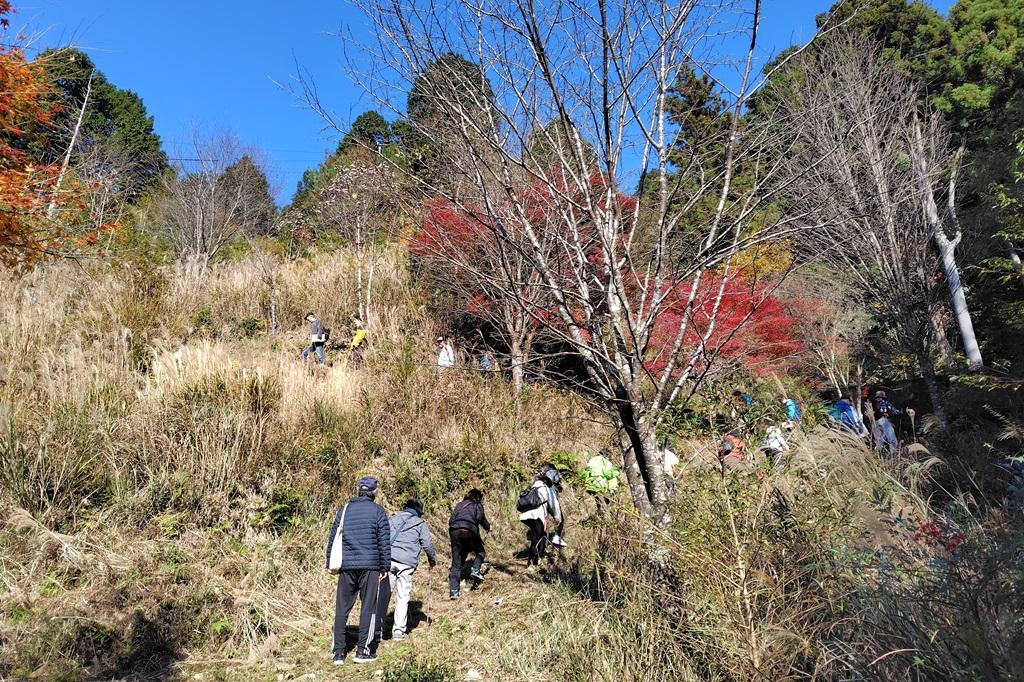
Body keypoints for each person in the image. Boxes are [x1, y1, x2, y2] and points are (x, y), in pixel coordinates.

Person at [325, 476, 390, 665]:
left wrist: (329, 561)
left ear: (359, 490)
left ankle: (338, 653)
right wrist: (384, 566)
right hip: (370, 566)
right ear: (374, 492)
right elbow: (383, 542)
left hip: (347, 566)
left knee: (342, 609)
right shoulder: (378, 511)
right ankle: (363, 651)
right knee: (368, 608)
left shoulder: (344, 510)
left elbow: (333, 537)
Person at [384, 499, 437, 641]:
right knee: (402, 597)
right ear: (419, 512)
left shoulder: (393, 519)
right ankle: (398, 631)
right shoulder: (420, 523)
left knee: (384, 595)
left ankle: (378, 627)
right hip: (406, 564)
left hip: (388, 560)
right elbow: (427, 543)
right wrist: (432, 559)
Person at [447, 488, 490, 599]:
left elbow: (451, 521)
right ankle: (475, 570)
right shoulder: (477, 504)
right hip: (469, 530)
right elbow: (480, 518)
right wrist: (488, 527)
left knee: (456, 563)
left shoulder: (459, 505)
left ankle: (454, 591)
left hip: (454, 531)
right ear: (478, 497)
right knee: (480, 552)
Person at [519, 465, 564, 567]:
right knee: (538, 538)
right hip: (537, 515)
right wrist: (558, 520)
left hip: (526, 515)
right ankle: (534, 563)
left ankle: (533, 561)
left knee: (537, 536)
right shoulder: (547, 488)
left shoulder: (535, 485)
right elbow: (555, 507)